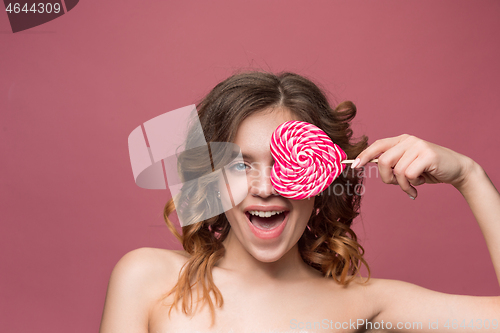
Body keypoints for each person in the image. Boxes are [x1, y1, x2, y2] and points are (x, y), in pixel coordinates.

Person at [99, 71, 500, 333]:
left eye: (287, 165)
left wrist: (470, 176)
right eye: (240, 165)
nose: (265, 186)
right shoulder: (147, 279)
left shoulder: (366, 304)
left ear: (322, 178)